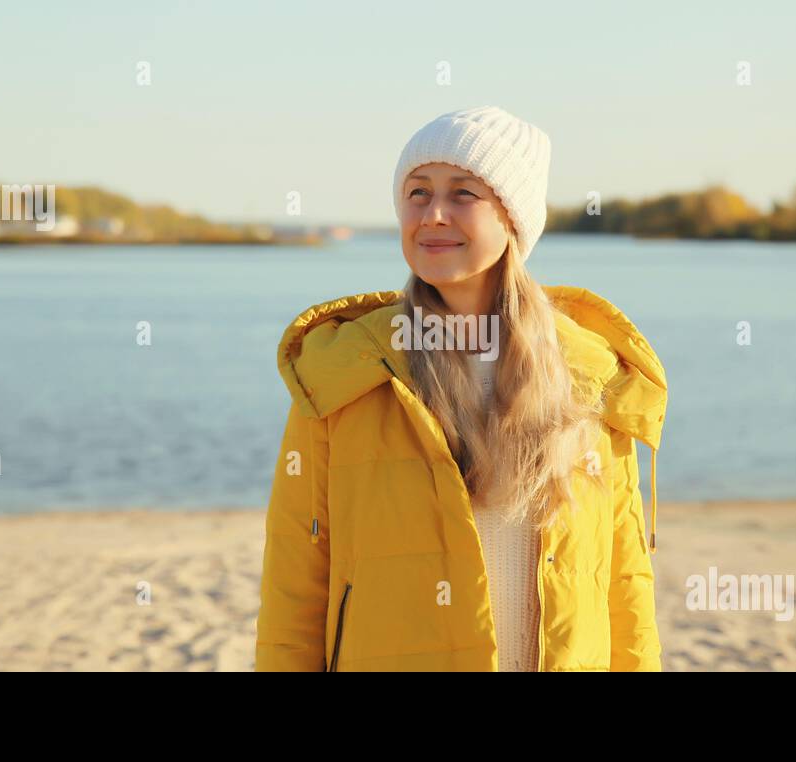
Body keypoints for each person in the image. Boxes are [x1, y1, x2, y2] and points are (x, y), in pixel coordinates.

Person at [255, 106, 667, 671]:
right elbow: (294, 585)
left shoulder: (592, 378)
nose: (434, 215)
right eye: (418, 193)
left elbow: (623, 583)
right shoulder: (346, 374)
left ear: (513, 221)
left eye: (464, 193)